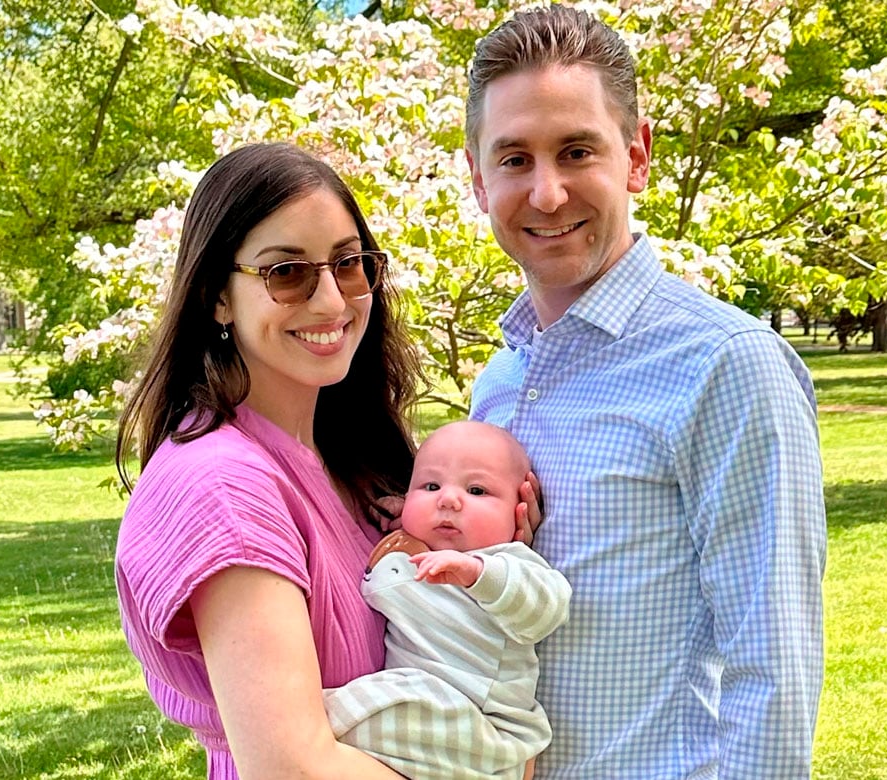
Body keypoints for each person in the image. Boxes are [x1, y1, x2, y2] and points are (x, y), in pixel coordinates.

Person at [463, 6, 827, 778]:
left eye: (576, 151)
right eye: (515, 159)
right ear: (477, 178)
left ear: (637, 157)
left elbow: (775, 665)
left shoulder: (727, 364)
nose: (548, 193)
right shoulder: (498, 383)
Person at [112, 142, 422, 779]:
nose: (333, 302)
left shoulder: (350, 457)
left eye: (350, 263)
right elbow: (291, 769)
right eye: (287, 273)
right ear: (216, 297)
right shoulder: (223, 485)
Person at [324, 420, 572, 780]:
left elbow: (547, 609)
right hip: (431, 720)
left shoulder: (510, 563)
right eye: (430, 485)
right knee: (394, 704)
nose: (449, 499)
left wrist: (478, 573)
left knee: (378, 707)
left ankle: (307, 721)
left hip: (482, 724)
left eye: (476, 490)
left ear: (520, 511)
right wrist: (407, 522)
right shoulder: (409, 551)